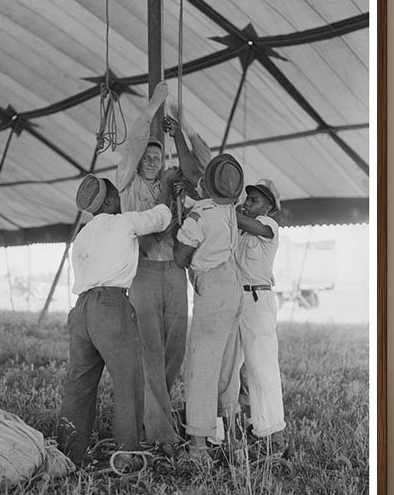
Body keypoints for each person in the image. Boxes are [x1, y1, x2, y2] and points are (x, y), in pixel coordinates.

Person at [56, 174, 172, 466]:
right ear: (108, 200)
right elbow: (162, 217)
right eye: (116, 195)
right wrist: (168, 185)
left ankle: (67, 453)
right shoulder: (123, 222)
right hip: (111, 307)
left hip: (81, 310)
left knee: (79, 384)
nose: (121, 199)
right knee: (128, 380)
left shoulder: (82, 235)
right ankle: (126, 454)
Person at [116, 81, 206, 447]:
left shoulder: (172, 183)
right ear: (138, 163)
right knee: (150, 350)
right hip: (144, 272)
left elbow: (200, 167)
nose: (153, 160)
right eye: (148, 157)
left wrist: (180, 129)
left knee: (174, 350)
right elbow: (136, 139)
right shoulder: (128, 184)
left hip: (175, 271)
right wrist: (156, 103)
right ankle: (161, 434)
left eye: (158, 157)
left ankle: (154, 414)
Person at [173, 153, 246, 458]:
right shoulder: (229, 209)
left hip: (212, 285)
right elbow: (201, 188)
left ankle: (198, 443)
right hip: (234, 282)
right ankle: (231, 436)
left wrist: (179, 222)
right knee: (229, 364)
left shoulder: (199, 217)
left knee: (202, 365)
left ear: (205, 186)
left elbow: (180, 258)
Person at [233, 178, 287, 453]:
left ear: (268, 207)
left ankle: (274, 434)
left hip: (258, 300)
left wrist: (224, 210)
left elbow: (248, 224)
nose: (247, 202)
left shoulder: (269, 226)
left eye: (254, 200)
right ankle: (230, 428)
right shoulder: (239, 232)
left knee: (262, 368)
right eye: (247, 198)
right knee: (231, 369)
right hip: (235, 299)